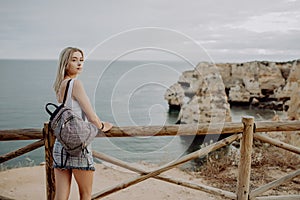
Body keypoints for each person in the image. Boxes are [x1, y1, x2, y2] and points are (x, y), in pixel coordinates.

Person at [52, 47, 113, 200]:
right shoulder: (75, 84)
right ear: (66, 64)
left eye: (81, 60)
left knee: (60, 196)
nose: (79, 64)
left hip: (61, 144)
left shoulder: (60, 85)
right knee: (85, 195)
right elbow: (91, 116)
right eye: (74, 60)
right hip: (78, 145)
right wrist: (103, 126)